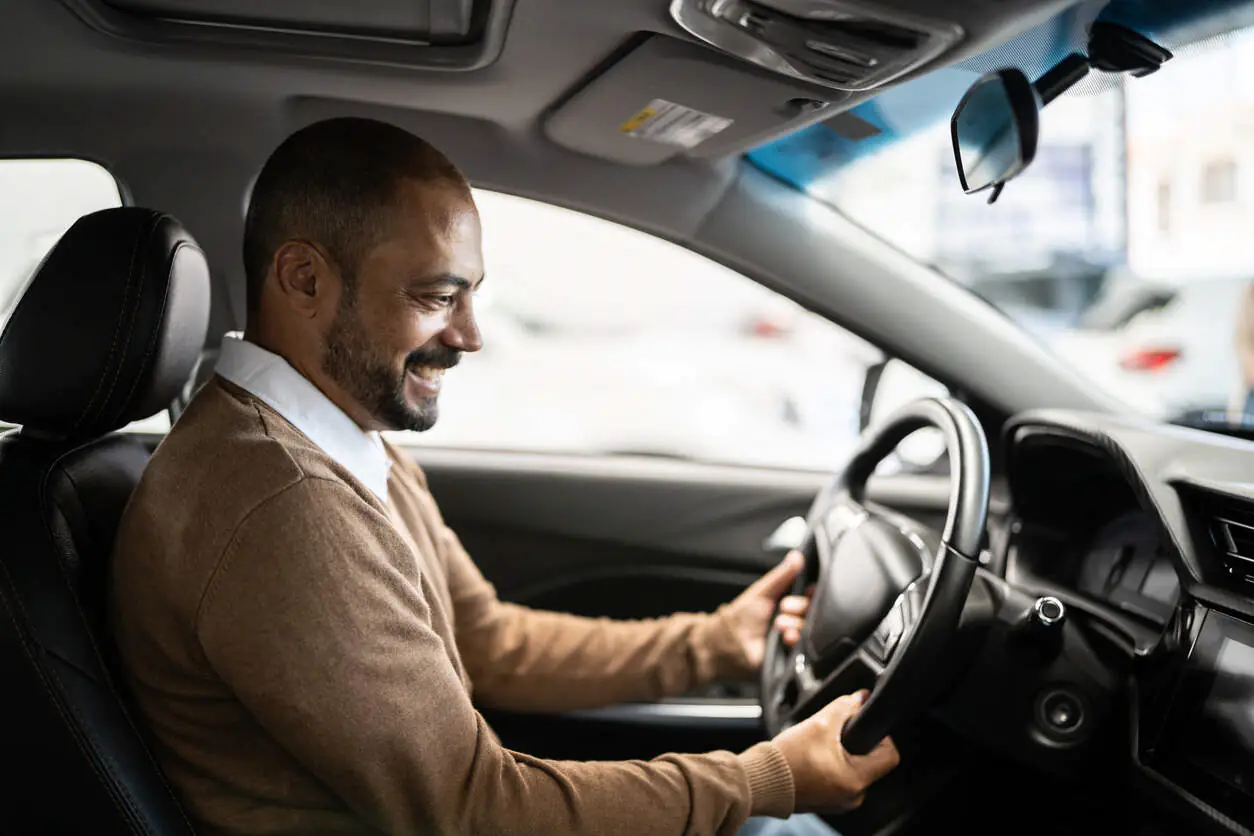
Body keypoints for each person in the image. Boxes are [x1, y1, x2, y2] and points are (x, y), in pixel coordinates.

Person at [110, 117, 899, 836]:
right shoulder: (280, 503)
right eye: (435, 296)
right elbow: (475, 810)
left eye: (471, 295)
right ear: (305, 280)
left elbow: (489, 646)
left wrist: (713, 644)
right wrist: (769, 778)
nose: (470, 335)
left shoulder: (335, 442)